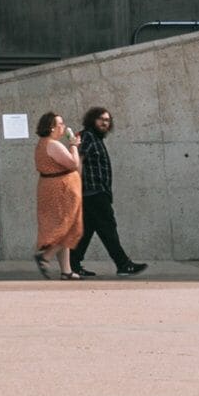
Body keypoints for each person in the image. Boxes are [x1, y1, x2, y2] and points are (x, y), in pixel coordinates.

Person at [74, 106, 149, 276]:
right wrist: (75, 187)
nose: (104, 123)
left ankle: (73, 264)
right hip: (94, 193)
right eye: (101, 119)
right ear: (92, 120)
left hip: (97, 193)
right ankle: (123, 264)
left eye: (107, 120)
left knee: (87, 230)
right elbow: (79, 160)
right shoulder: (88, 136)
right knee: (108, 228)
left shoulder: (96, 138)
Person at [31, 111, 84, 278]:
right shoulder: (53, 145)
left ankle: (66, 270)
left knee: (62, 226)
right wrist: (74, 145)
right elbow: (73, 163)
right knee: (69, 227)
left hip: (50, 188)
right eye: (60, 124)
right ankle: (45, 257)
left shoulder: (43, 143)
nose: (63, 126)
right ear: (52, 127)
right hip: (60, 190)